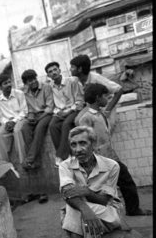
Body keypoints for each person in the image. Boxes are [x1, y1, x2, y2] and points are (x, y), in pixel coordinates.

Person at [48, 126, 124, 238]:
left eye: (83, 143)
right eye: (73, 145)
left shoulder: (111, 166)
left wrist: (85, 191)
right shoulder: (65, 165)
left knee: (75, 208)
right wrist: (86, 210)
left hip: (109, 212)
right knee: (82, 214)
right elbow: (67, 192)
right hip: (88, 215)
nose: (77, 149)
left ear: (93, 144)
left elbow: (105, 200)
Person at [77, 83, 152, 216]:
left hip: (109, 155)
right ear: (98, 97)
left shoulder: (100, 114)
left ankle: (130, 209)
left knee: (122, 182)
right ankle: (108, 213)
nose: (108, 99)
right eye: (106, 96)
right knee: (116, 183)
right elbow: (83, 140)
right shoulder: (86, 117)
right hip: (99, 158)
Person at [45, 61, 85, 166]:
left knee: (66, 124)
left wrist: (68, 111)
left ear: (59, 70)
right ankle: (67, 155)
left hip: (74, 109)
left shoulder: (72, 81)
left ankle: (60, 155)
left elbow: (80, 101)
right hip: (60, 111)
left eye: (55, 70)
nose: (53, 73)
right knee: (52, 126)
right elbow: (54, 104)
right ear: (48, 75)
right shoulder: (50, 86)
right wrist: (59, 112)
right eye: (50, 72)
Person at [69, 54, 123, 127]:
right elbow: (81, 100)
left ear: (80, 69)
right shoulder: (76, 81)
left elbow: (119, 90)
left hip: (105, 105)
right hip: (92, 106)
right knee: (78, 121)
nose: (70, 69)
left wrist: (108, 110)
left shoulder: (96, 78)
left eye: (72, 67)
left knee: (106, 126)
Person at [20, 69, 54, 170]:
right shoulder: (25, 92)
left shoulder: (46, 87)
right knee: (25, 128)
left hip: (46, 114)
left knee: (39, 128)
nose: (33, 82)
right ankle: (36, 161)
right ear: (26, 83)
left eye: (34, 79)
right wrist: (30, 116)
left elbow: (50, 107)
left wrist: (39, 118)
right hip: (35, 115)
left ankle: (29, 159)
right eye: (30, 81)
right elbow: (29, 108)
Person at [0, 73, 28, 164]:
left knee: (17, 131)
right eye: (5, 83)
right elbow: (1, 116)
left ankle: (23, 161)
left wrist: (13, 121)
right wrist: (7, 122)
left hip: (21, 119)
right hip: (8, 123)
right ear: (0, 87)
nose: (9, 84)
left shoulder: (19, 94)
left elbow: (24, 111)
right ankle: (4, 164)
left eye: (9, 82)